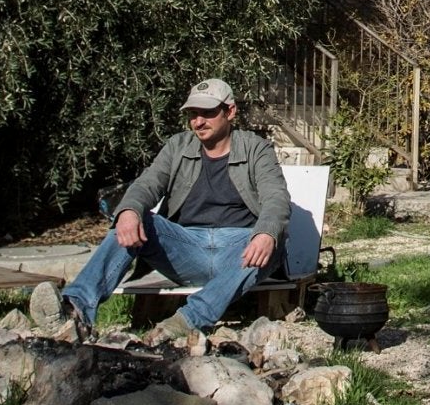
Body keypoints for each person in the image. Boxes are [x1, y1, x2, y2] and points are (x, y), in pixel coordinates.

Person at [36, 78, 290, 341]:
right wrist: (129, 212)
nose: (199, 122)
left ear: (230, 111)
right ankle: (75, 311)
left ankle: (187, 321)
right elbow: (147, 183)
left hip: (239, 247)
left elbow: (276, 198)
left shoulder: (256, 149)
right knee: (133, 219)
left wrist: (266, 233)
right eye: (193, 115)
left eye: (208, 113)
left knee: (274, 237)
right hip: (186, 246)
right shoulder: (178, 147)